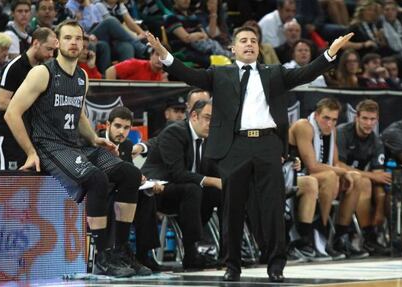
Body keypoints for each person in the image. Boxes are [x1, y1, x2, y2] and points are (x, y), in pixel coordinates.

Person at [146, 27, 352, 282]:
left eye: (254, 40)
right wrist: (165, 54)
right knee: (231, 207)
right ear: (233, 48)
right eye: (243, 40)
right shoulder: (220, 73)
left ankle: (276, 265)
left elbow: (305, 73)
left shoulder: (274, 72)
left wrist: (330, 53)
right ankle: (232, 265)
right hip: (235, 146)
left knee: (273, 207)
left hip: (268, 144)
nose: (249, 44)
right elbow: (190, 75)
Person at [4, 19, 142, 277]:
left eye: (78, 38)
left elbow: (78, 115)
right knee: (97, 179)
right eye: (68, 38)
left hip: (74, 145)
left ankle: (121, 251)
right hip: (49, 147)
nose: (74, 42)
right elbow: (12, 112)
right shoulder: (42, 73)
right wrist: (31, 152)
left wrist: (93, 138)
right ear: (57, 42)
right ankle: (101, 257)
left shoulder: (82, 76)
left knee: (130, 174)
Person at [141, 99, 222, 270]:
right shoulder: (175, 132)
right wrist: (212, 180)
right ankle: (191, 251)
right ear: (193, 116)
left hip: (184, 191)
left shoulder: (208, 138)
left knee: (219, 193)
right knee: (195, 189)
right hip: (158, 189)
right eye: (207, 118)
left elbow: (215, 169)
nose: (211, 124)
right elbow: (176, 174)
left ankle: (228, 250)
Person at [288, 97, 369, 260]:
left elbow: (335, 162)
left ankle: (339, 236)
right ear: (317, 115)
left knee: (357, 178)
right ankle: (321, 233)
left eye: (334, 120)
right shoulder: (304, 126)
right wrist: (340, 173)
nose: (330, 123)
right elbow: (312, 165)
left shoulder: (331, 130)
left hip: (315, 177)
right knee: (331, 176)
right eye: (326, 118)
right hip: (293, 176)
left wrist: (346, 174)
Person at [100, 106, 158, 274]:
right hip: (101, 194)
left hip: (122, 194)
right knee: (116, 199)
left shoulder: (126, 145)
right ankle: (113, 253)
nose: (122, 131)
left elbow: (128, 176)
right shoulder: (96, 142)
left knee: (147, 198)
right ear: (107, 124)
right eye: (117, 126)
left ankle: (141, 255)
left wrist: (141, 181)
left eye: (126, 128)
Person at [0, 27, 57, 170]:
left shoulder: (44, 69)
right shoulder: (14, 67)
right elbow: (1, 102)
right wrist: (32, 105)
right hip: (9, 137)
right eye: (48, 49)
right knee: (5, 185)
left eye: (53, 50)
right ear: (36, 43)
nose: (51, 54)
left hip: (31, 137)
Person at [336, 99, 391, 255]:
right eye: (365, 118)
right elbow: (338, 164)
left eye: (372, 119)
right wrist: (369, 175)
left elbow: (379, 175)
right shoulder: (342, 133)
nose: (369, 123)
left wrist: (380, 208)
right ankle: (367, 236)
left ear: (377, 120)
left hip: (358, 182)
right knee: (365, 180)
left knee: (368, 183)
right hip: (339, 178)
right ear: (357, 118)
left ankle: (370, 237)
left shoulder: (376, 141)